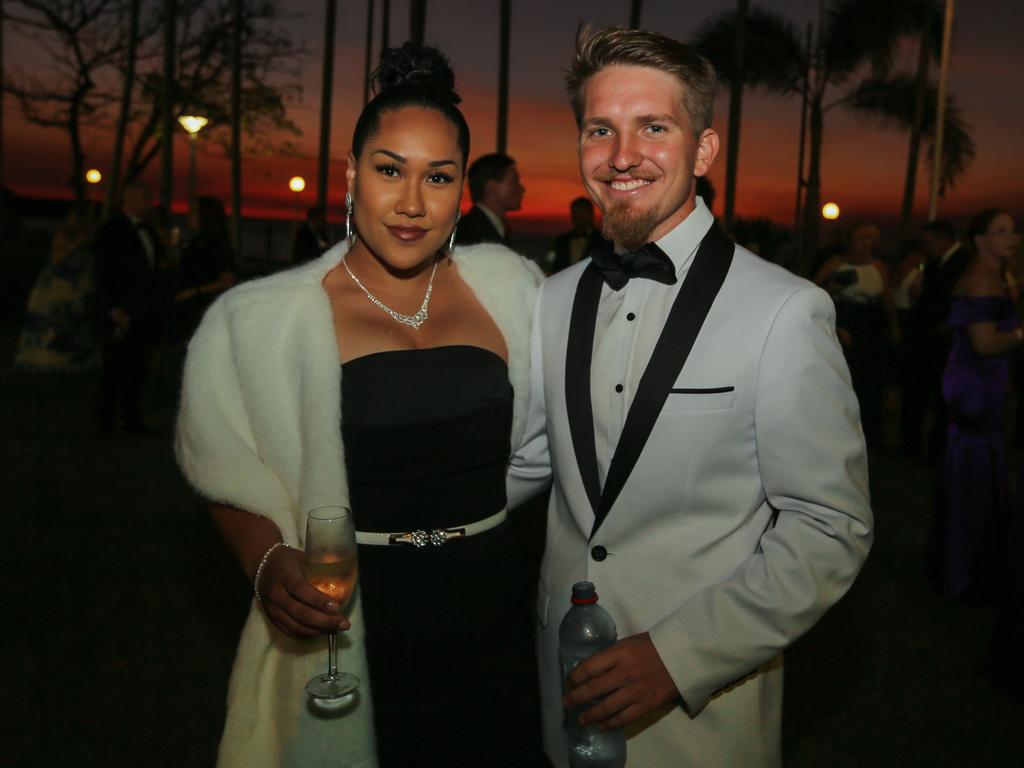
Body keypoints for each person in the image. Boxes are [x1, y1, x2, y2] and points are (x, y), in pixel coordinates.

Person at [508, 26, 872, 767]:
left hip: (701, 723)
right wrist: (396, 514)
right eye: (599, 130)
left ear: (703, 151)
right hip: (563, 702)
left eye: (654, 127)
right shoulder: (551, 299)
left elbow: (829, 525)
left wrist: (678, 656)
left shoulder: (783, 311)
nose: (621, 156)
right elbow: (533, 459)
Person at [176, 44, 546, 768]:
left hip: (495, 620)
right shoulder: (261, 320)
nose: (412, 204)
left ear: (461, 189)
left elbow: (558, 438)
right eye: (389, 171)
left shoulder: (515, 292)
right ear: (351, 173)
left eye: (438, 178)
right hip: (349, 637)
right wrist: (267, 562)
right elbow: (225, 471)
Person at [928, 209, 1022, 603]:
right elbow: (984, 344)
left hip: (986, 381)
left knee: (983, 467)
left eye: (1013, 231)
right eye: (1000, 231)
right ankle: (964, 569)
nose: (1011, 238)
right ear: (980, 239)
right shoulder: (980, 278)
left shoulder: (998, 275)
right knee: (974, 468)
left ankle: (974, 560)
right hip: (974, 385)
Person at [813, 222, 900, 449]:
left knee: (870, 381)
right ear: (851, 239)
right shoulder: (835, 263)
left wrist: (894, 325)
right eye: (862, 238)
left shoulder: (879, 266)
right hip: (843, 323)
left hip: (871, 326)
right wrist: (832, 288)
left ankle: (869, 435)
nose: (866, 243)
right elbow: (813, 292)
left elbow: (887, 299)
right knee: (843, 378)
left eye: (871, 239)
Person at [94, 182, 166, 436]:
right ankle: (105, 423)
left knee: (138, 367)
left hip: (143, 312)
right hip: (121, 311)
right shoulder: (111, 231)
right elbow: (103, 272)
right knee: (114, 368)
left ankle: (131, 419)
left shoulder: (149, 232)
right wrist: (113, 308)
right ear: (130, 201)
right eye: (146, 197)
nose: (150, 202)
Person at [14, 203, 98, 372]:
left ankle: (70, 360)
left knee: (72, 324)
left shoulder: (89, 239)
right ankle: (45, 359)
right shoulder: (63, 236)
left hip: (75, 289)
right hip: (57, 286)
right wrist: (77, 243)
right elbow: (57, 260)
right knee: (52, 324)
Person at [913, 218, 970, 462]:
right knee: (930, 394)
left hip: (949, 340)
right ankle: (928, 449)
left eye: (929, 242)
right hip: (930, 339)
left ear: (944, 239)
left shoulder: (964, 262)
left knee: (945, 399)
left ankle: (941, 452)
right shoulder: (935, 264)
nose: (926, 248)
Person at [173, 196, 236, 341]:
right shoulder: (195, 244)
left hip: (202, 311)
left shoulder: (218, 246)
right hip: (187, 311)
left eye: (195, 212)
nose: (190, 216)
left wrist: (195, 291)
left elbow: (227, 281)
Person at [454, 152, 524, 246]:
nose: (521, 189)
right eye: (514, 181)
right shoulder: (470, 233)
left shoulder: (479, 228)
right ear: (492, 186)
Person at [548, 196, 605, 273]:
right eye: (573, 212)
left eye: (580, 212)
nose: (575, 216)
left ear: (590, 214)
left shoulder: (604, 240)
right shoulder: (562, 240)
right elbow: (555, 266)